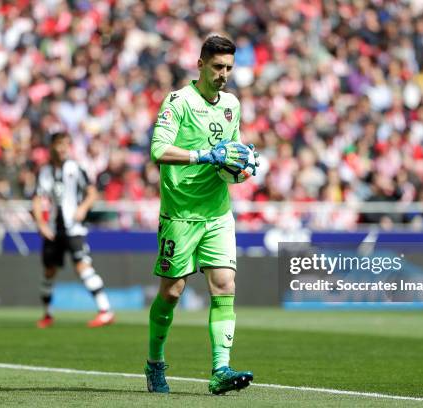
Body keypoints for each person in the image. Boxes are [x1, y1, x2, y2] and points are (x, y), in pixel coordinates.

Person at [145, 35, 258, 395]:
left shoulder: (232, 105)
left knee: (225, 285)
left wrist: (241, 168)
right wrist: (202, 156)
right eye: (217, 67)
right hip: (180, 213)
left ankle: (220, 370)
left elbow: (233, 153)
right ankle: (155, 364)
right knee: (173, 291)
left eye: (228, 68)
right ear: (200, 65)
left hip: (218, 213)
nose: (224, 74)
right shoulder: (178, 102)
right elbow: (158, 149)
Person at [32, 131, 114, 328]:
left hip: (74, 228)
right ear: (52, 147)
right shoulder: (45, 171)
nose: (62, 149)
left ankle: (105, 310)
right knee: (49, 271)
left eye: (65, 145)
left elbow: (92, 193)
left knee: (82, 265)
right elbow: (36, 198)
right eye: (59, 144)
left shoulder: (75, 168)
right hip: (53, 228)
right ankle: (47, 314)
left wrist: (83, 208)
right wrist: (41, 224)